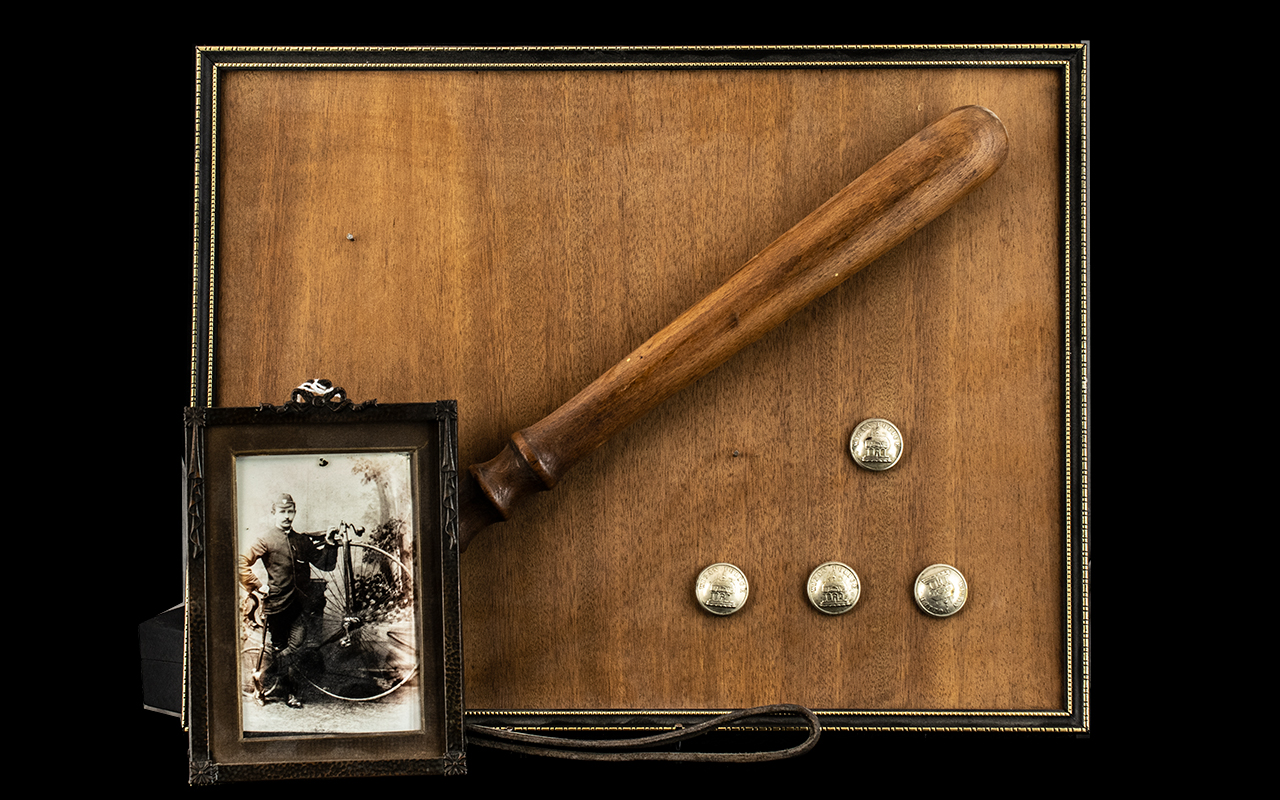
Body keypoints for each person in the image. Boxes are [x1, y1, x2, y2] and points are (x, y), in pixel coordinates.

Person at [238, 493, 339, 708]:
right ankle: (289, 693)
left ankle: (267, 678)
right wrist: (258, 585)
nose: (286, 516)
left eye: (290, 511)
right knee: (281, 648)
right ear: (274, 514)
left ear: (294, 513)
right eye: (282, 512)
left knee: (295, 648)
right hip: (276, 607)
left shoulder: (301, 540)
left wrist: (330, 545)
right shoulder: (265, 540)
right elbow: (241, 563)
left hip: (300, 606)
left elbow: (325, 565)